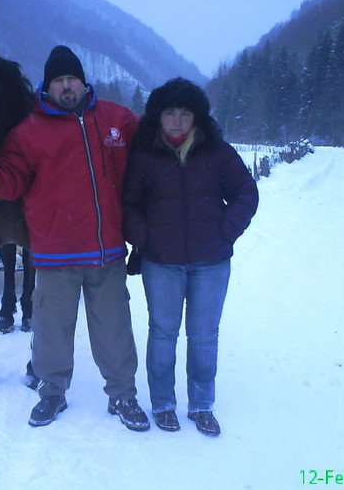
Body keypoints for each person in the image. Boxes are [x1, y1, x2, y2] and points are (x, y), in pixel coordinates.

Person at [0, 45, 150, 431]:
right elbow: (8, 178)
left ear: (83, 82)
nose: (67, 86)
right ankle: (52, 393)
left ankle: (123, 395)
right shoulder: (28, 133)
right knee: (51, 330)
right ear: (48, 85)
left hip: (106, 253)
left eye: (72, 78)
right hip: (55, 255)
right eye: (59, 80)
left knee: (114, 330)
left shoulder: (114, 119)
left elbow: (152, 136)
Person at [122, 77, 258, 435]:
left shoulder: (217, 152)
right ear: (158, 117)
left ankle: (201, 405)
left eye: (185, 113)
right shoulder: (144, 155)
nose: (178, 120)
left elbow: (246, 194)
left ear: (196, 116)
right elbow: (129, 203)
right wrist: (142, 235)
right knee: (163, 333)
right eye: (170, 113)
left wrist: (224, 232)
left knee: (203, 336)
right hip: (161, 262)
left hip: (210, 262)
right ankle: (163, 403)